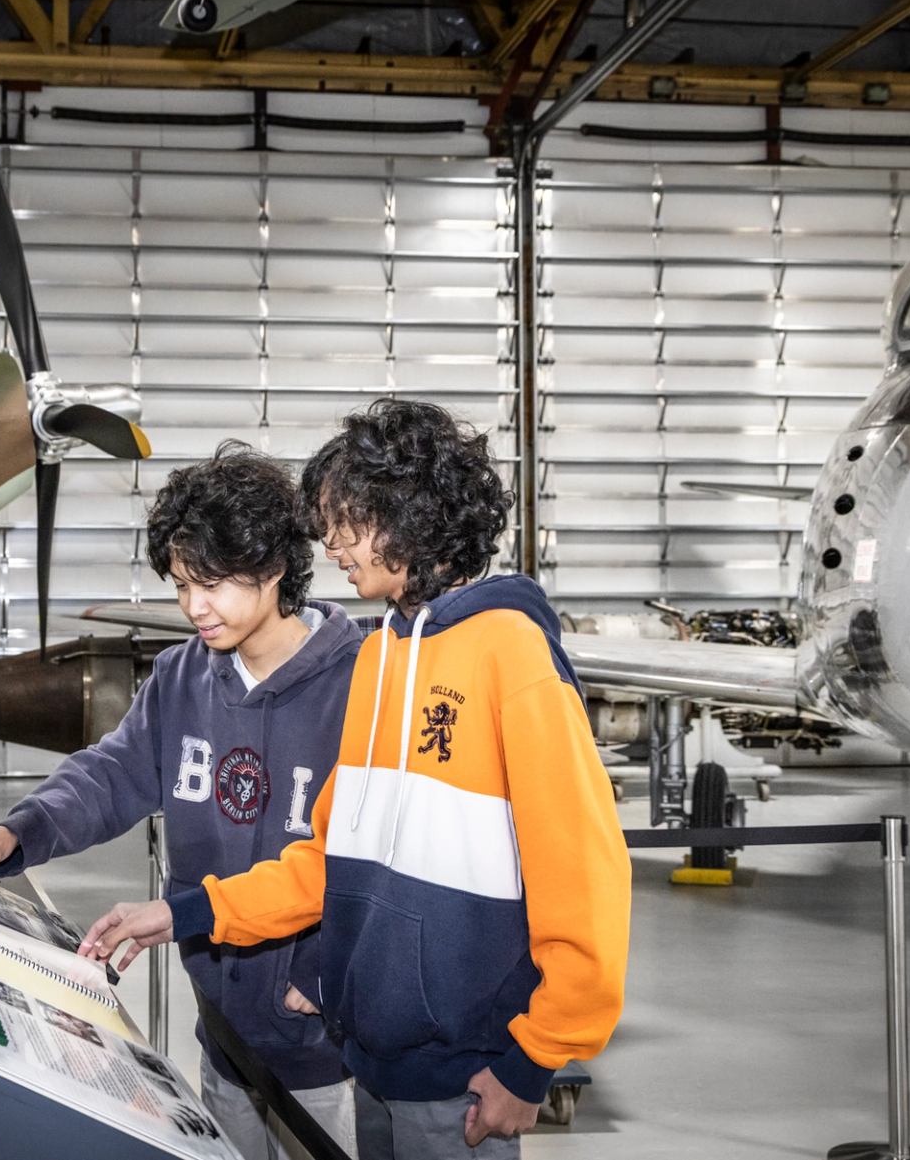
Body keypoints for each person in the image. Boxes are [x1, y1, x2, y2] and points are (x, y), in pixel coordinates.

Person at [80, 400, 632, 1160]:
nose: (333, 541)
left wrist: (535, 1060)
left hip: (460, 1070)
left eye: (352, 519)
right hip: (374, 1060)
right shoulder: (383, 658)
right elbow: (326, 859)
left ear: (412, 518)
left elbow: (586, 874)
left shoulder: (512, 654)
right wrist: (185, 913)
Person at [0, 443, 365, 1160]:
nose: (193, 606)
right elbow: (112, 772)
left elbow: (370, 863)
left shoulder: (359, 687)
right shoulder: (184, 676)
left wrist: (321, 975)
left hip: (321, 1040)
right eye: (182, 583)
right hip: (219, 1026)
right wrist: (15, 832)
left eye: (211, 583)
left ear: (274, 566)